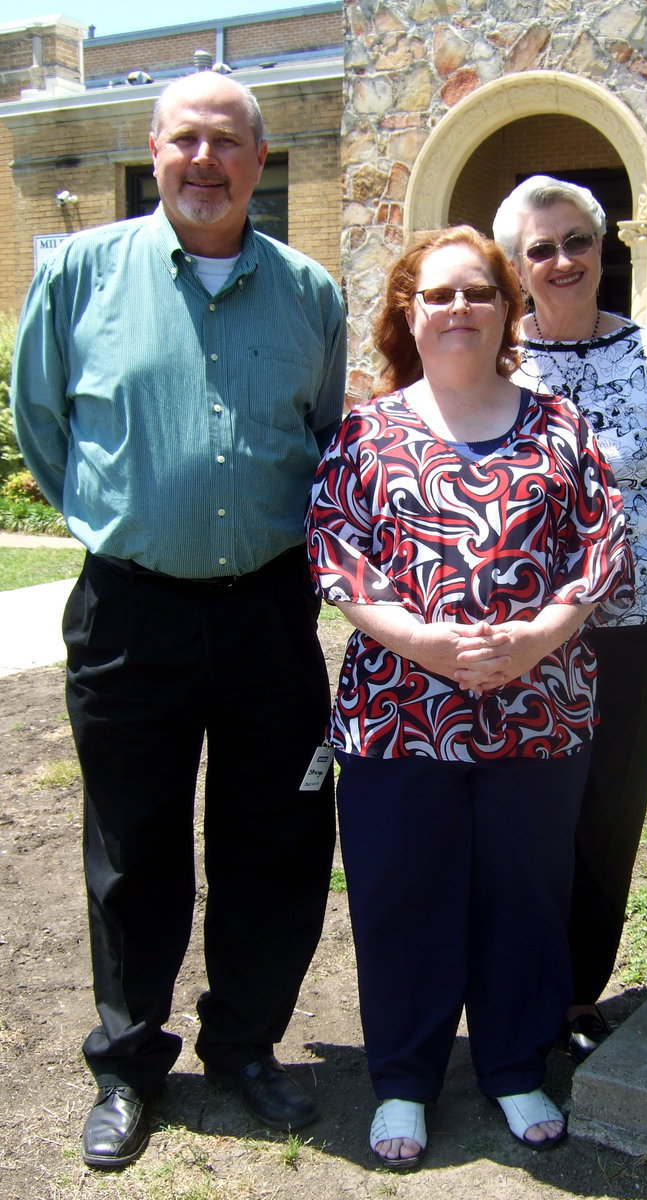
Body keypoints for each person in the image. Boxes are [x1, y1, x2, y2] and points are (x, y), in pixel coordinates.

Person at [11, 72, 345, 1169]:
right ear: (154, 152)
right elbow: (44, 424)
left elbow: (326, 435)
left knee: (276, 841)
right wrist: (132, 519)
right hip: (131, 615)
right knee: (133, 846)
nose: (205, 160)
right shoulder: (77, 273)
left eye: (228, 142)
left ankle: (246, 1045)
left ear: (262, 159)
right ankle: (128, 1060)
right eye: (185, 140)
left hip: (268, 616)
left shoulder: (312, 295)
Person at [306, 225, 634, 1169]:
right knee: (401, 896)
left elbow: (600, 544)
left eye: (478, 293)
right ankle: (404, 1079)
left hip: (540, 712)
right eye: (438, 295)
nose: (458, 309)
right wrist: (421, 642)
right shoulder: (367, 430)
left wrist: (534, 637)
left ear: (507, 310)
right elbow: (333, 547)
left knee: (524, 896)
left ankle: (513, 1063)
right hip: (397, 714)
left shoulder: (557, 425)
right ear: (410, 315)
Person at [493, 176, 647, 1062]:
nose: (561, 261)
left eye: (576, 241)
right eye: (540, 249)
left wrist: (626, 564)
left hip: (641, 624)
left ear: (603, 250)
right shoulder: (500, 359)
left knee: (608, 807)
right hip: (525, 630)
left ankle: (575, 994)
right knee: (527, 807)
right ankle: (516, 980)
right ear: (518, 266)